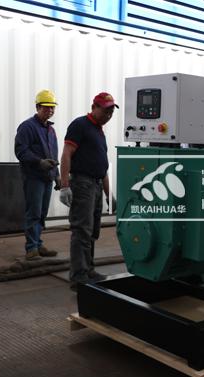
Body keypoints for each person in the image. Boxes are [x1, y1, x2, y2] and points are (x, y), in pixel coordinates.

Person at [59, 92, 118, 290]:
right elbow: (66, 154)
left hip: (96, 184)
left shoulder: (99, 132)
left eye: (111, 112)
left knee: (92, 231)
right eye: (106, 110)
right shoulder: (80, 125)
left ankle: (89, 270)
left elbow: (102, 167)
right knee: (82, 231)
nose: (109, 115)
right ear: (94, 107)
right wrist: (65, 185)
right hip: (82, 184)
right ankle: (78, 276)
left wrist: (109, 195)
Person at [14, 90, 60, 260]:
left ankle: (38, 244)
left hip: (47, 178)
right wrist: (39, 162)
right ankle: (31, 248)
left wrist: (57, 176)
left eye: (52, 107)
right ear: (38, 107)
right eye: (46, 107)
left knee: (42, 213)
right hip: (34, 177)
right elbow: (21, 151)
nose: (50, 110)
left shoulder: (50, 130)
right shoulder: (27, 127)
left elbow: (54, 155)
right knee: (34, 212)